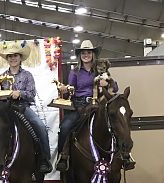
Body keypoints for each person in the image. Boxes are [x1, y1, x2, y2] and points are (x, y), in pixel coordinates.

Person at [0, 42, 53, 174]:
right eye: (10, 56)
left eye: (15, 56)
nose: (13, 58)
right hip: (3, 109)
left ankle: (44, 159)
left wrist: (20, 93)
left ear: (20, 58)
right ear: (7, 59)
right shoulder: (1, 76)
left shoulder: (27, 75)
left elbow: (31, 94)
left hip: (22, 107)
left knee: (39, 126)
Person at [56, 39, 136, 172]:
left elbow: (115, 87)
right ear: (79, 55)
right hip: (80, 105)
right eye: (83, 53)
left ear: (93, 54)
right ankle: (63, 156)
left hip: (99, 105)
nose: (86, 55)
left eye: (88, 52)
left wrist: (108, 83)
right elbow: (71, 89)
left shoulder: (100, 69)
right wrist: (65, 89)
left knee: (115, 123)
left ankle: (125, 155)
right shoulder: (74, 72)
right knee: (65, 127)